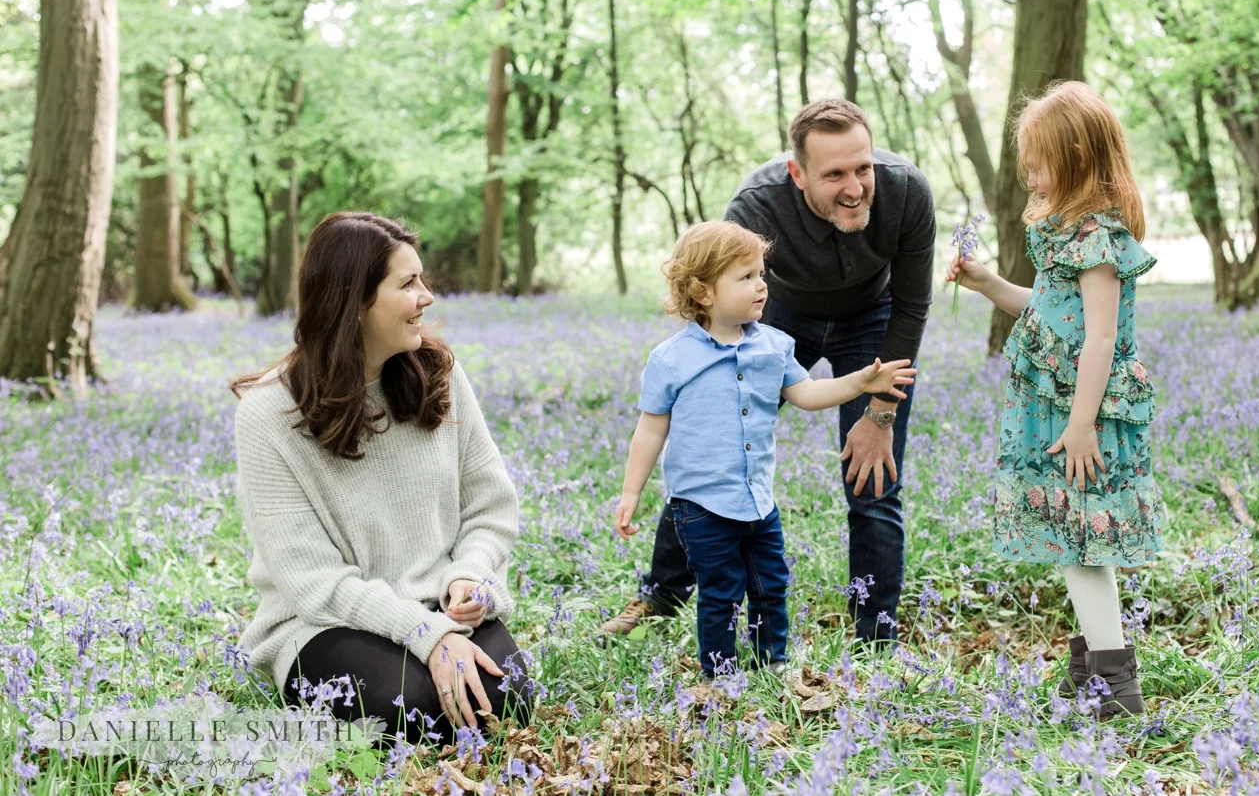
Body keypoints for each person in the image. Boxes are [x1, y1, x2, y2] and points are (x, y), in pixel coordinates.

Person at [603, 99, 936, 644]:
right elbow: (720, 293)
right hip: (776, 316)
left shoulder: (908, 192)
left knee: (874, 478)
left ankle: (876, 635)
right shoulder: (756, 204)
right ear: (797, 173)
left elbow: (912, 304)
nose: (855, 188)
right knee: (713, 455)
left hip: (873, 323)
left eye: (863, 168)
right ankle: (660, 594)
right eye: (834, 175)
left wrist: (880, 413)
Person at [231, 212, 531, 745]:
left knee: (505, 700)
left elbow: (490, 507)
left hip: (440, 603)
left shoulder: (439, 375)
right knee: (414, 713)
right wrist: (426, 635)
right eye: (408, 283)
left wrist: (469, 576)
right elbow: (312, 581)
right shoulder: (269, 414)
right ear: (354, 302)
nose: (427, 296)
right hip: (324, 623)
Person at [948, 81, 1164, 720]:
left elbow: (1101, 337)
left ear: (1074, 156)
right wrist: (989, 284)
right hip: (1057, 407)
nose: (1030, 176)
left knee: (1081, 540)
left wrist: (1081, 423)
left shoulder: (1098, 237)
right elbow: (1046, 313)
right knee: (1076, 538)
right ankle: (1090, 670)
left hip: (1080, 410)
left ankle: (1115, 688)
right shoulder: (1065, 230)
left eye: (1038, 163)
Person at [614, 221, 916, 677]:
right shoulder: (671, 359)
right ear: (703, 292)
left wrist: (860, 382)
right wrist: (631, 492)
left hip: (757, 500)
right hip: (700, 506)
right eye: (746, 277)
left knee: (771, 584)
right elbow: (651, 430)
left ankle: (771, 663)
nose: (761, 285)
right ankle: (721, 676)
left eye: (761, 274)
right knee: (721, 592)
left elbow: (808, 393)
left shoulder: (774, 346)